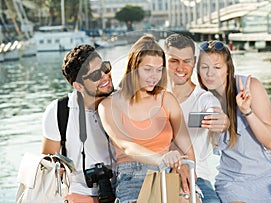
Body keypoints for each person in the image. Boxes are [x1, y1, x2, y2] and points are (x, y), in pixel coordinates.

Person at [98, 34, 197, 203]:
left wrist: (187, 172)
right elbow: (126, 146)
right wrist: (160, 159)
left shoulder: (168, 100)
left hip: (170, 172)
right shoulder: (108, 105)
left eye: (159, 70)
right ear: (133, 68)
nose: (154, 76)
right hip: (132, 177)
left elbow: (186, 147)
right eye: (148, 69)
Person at [197, 40, 271, 203]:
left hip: (269, 178)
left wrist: (247, 111)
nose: (210, 74)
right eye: (204, 67)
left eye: (217, 67)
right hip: (232, 182)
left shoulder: (250, 87)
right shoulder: (201, 100)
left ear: (228, 69)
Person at [41, 44, 115, 203]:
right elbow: (47, 162)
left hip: (122, 190)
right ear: (78, 86)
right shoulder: (59, 111)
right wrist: (56, 170)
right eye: (95, 75)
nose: (105, 76)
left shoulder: (124, 102)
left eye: (105, 67)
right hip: (77, 195)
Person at [164, 33, 229, 203]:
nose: (181, 68)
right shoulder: (153, 98)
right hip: (159, 177)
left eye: (186, 61)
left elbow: (215, 112)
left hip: (198, 177)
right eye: (174, 61)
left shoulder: (204, 99)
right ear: (163, 60)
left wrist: (222, 120)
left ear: (193, 62)